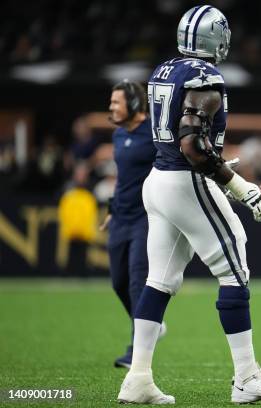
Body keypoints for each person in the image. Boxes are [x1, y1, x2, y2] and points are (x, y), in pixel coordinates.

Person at [117, 5, 261, 404]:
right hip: (186, 181)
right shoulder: (205, 77)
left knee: (159, 281)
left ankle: (139, 377)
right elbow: (193, 146)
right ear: (214, 38)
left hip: (158, 181)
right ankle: (246, 377)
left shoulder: (164, 69)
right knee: (234, 269)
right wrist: (238, 185)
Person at [99, 79, 162, 369]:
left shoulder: (154, 133)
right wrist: (112, 208)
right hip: (121, 217)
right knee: (118, 283)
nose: (111, 107)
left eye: (116, 102)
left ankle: (137, 347)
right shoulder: (118, 135)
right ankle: (151, 326)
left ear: (134, 104)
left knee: (138, 282)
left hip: (145, 217)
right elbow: (123, 178)